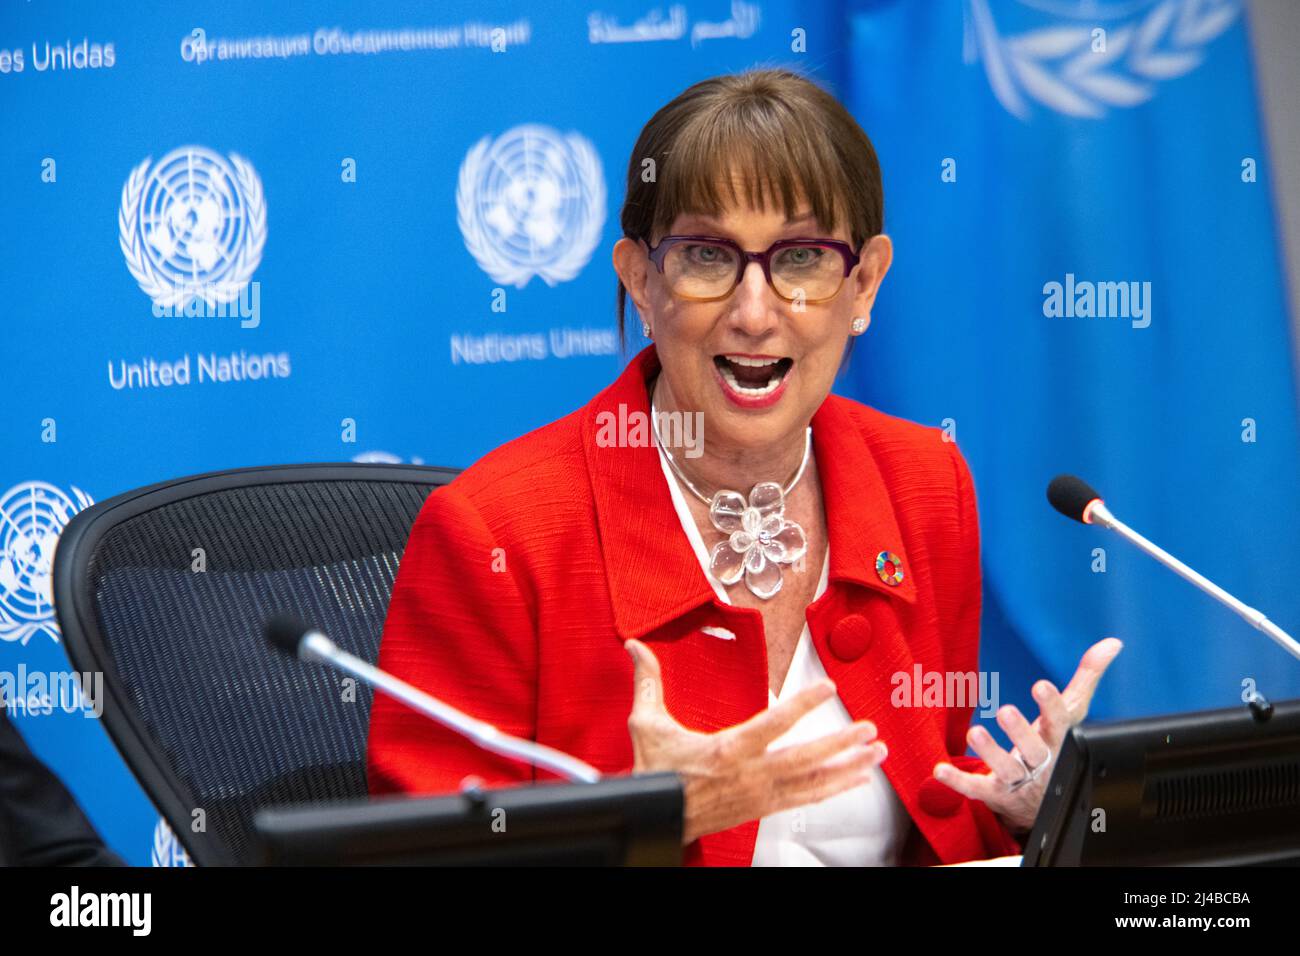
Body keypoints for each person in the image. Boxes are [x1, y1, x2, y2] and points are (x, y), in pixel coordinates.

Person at [366, 67, 1122, 866]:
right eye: (705, 255)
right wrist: (643, 828)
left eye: (801, 259)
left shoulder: (924, 484)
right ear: (642, 281)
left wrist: (1025, 811)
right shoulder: (500, 532)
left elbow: (924, 794)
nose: (755, 312)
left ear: (863, 284)